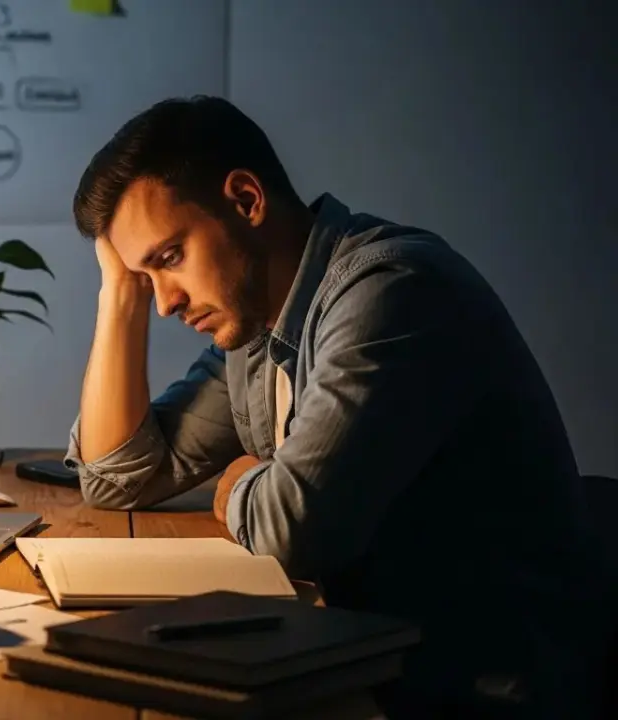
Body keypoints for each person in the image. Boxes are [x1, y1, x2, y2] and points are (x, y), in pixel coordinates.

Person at [62, 96, 611, 718]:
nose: (165, 303)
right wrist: (119, 294)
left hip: (482, 684)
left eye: (169, 258)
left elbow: (294, 531)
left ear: (246, 199)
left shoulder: (390, 291)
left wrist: (243, 482)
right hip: (365, 649)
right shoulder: (255, 326)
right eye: (145, 276)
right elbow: (116, 477)